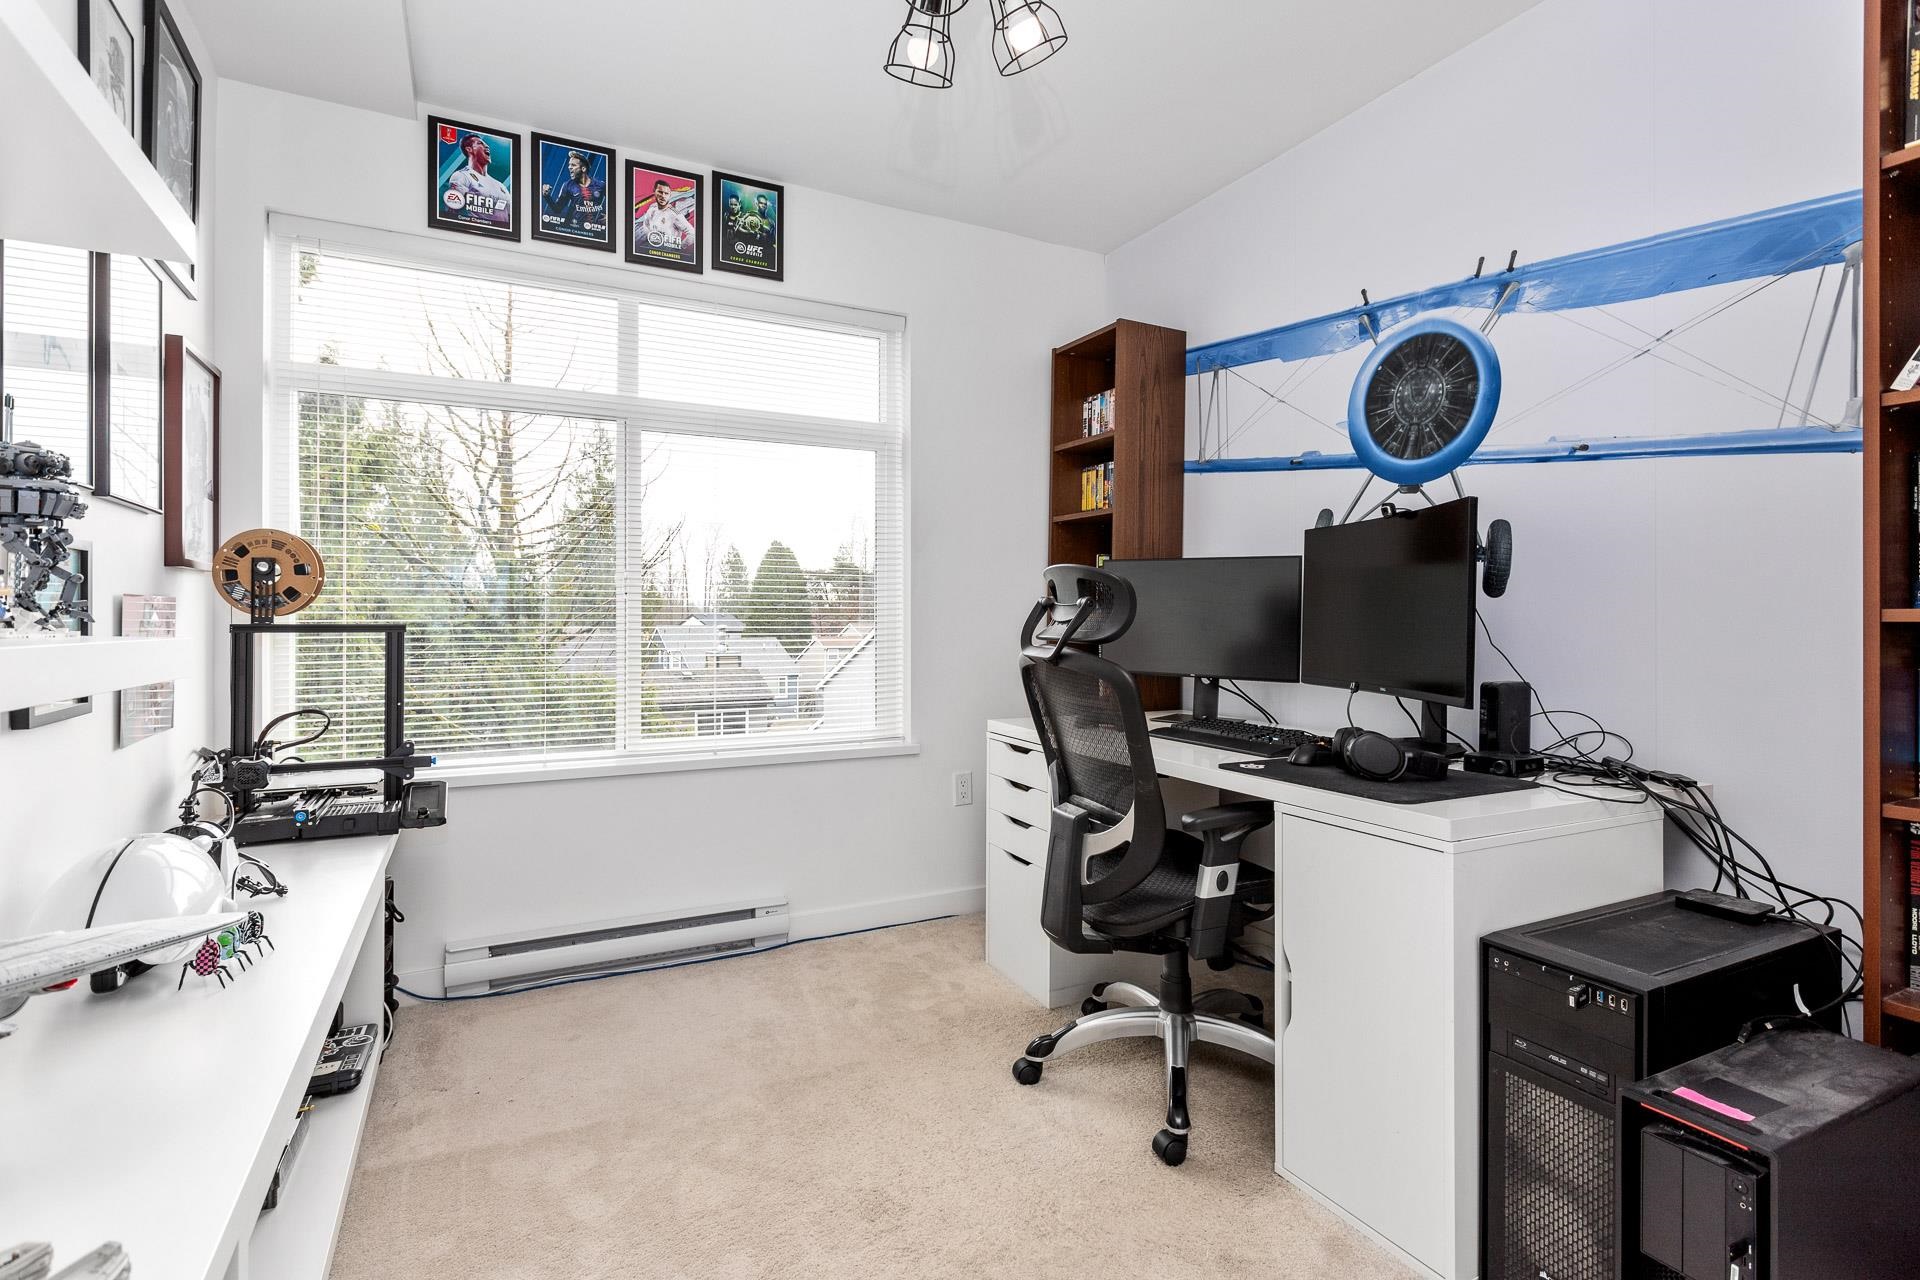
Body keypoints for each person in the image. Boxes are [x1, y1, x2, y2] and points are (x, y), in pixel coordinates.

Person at [446, 132, 512, 227]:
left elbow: (512, 219)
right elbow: (451, 213)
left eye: (486, 144)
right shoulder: (462, 176)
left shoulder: (501, 186)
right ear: (469, 149)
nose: (487, 146)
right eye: (480, 143)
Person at [541, 150, 604, 234]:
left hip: (596, 231)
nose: (569, 167)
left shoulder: (601, 185)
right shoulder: (567, 185)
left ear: (583, 168)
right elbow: (557, 209)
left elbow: (615, 202)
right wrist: (547, 196)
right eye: (569, 165)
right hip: (576, 229)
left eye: (573, 165)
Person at [635, 177, 695, 251]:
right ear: (655, 192)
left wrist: (679, 248)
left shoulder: (675, 214)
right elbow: (646, 224)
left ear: (669, 195)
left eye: (666, 193)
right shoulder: (652, 208)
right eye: (660, 192)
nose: (663, 196)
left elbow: (692, 234)